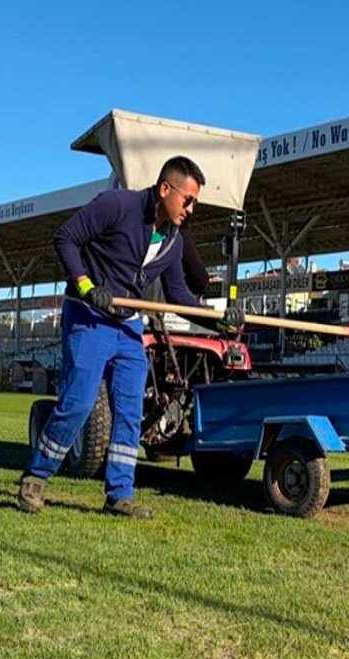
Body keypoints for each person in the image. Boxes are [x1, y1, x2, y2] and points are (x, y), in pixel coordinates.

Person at [18, 156, 243, 519]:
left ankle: (119, 495)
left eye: (195, 203)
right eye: (188, 200)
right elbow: (66, 239)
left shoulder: (173, 241)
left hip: (129, 328)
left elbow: (178, 295)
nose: (191, 209)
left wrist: (218, 323)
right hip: (88, 317)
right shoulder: (116, 205)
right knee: (78, 403)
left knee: (130, 412)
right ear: (165, 189)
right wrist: (87, 286)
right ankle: (36, 476)